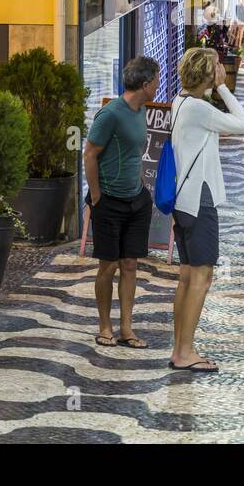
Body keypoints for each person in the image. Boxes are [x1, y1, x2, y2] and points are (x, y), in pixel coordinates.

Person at [168, 47, 244, 372]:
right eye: (216, 69)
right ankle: (185, 352)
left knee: (187, 277)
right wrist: (222, 87)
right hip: (198, 202)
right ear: (207, 75)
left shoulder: (180, 103)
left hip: (183, 201)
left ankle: (180, 347)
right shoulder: (200, 109)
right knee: (202, 277)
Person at [82, 56, 159, 349]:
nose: (158, 85)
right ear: (144, 83)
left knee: (130, 264)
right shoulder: (111, 114)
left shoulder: (142, 111)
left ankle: (127, 328)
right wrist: (97, 194)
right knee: (109, 265)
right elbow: (89, 154)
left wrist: (140, 182)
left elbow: (134, 151)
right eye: (156, 80)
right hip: (110, 201)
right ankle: (104, 326)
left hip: (136, 200)